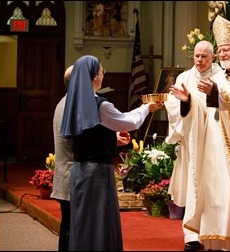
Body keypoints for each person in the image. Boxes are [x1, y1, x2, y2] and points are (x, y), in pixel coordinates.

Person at [168, 15, 230, 251]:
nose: (223, 54)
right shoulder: (219, 77)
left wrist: (218, 95)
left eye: (227, 50)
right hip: (214, 157)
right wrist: (188, 101)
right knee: (215, 199)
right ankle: (216, 244)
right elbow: (203, 108)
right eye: (221, 50)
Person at [60, 55, 163, 251]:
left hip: (80, 171)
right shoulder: (100, 104)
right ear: (94, 77)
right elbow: (129, 122)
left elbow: (86, 135)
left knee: (84, 223)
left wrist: (110, 139)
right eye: (101, 72)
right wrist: (146, 108)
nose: (102, 75)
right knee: (99, 221)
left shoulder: (73, 102)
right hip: (97, 172)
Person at [50, 65, 132, 251]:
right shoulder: (73, 106)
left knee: (71, 229)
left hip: (67, 174)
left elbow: (82, 137)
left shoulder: (65, 102)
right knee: (75, 232)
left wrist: (112, 139)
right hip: (75, 174)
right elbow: (83, 143)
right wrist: (112, 141)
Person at [164, 40, 223, 251]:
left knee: (213, 189)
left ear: (213, 57)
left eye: (204, 56)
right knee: (193, 187)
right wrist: (186, 101)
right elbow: (173, 105)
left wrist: (194, 100)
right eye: (197, 56)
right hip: (192, 144)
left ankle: (212, 233)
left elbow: (223, 106)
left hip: (214, 145)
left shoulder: (221, 77)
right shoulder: (184, 78)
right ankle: (191, 236)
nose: (199, 60)